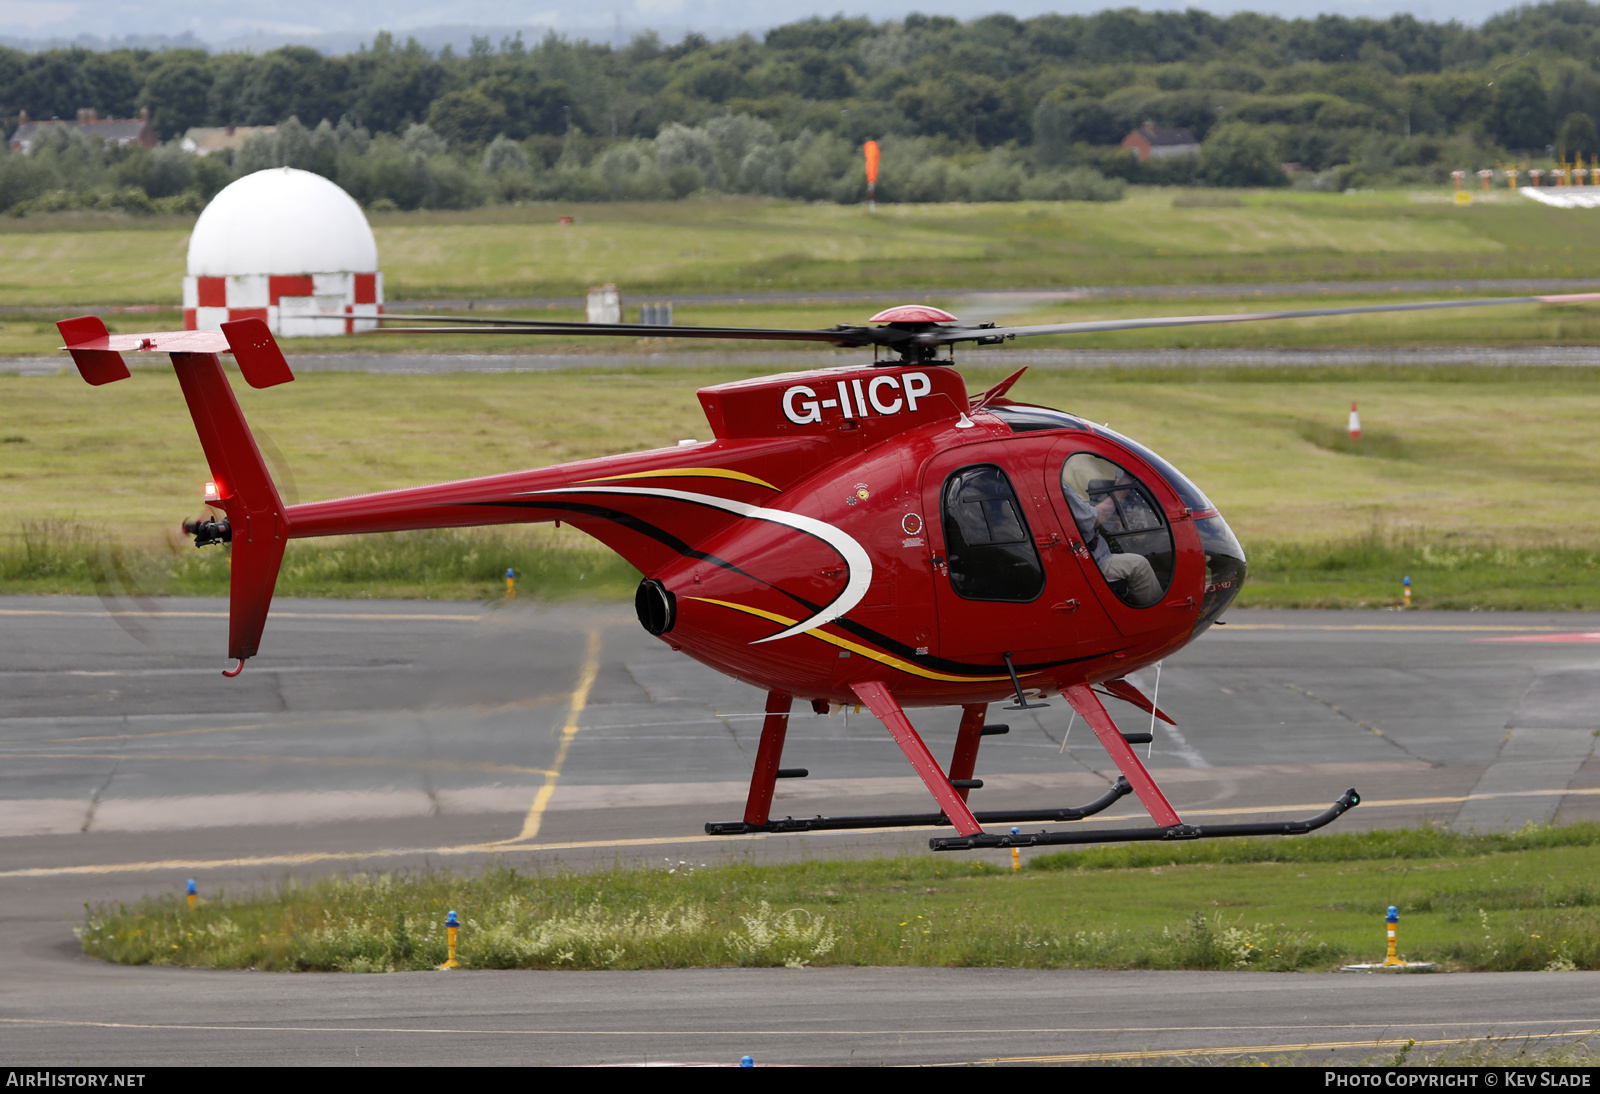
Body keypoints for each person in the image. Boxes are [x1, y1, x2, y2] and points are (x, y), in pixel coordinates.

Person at [1064, 486, 1163, 607]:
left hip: (1081, 557)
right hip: (1091, 562)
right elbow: (1093, 520)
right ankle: (1156, 616)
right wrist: (1121, 490)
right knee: (1139, 565)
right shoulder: (1058, 487)